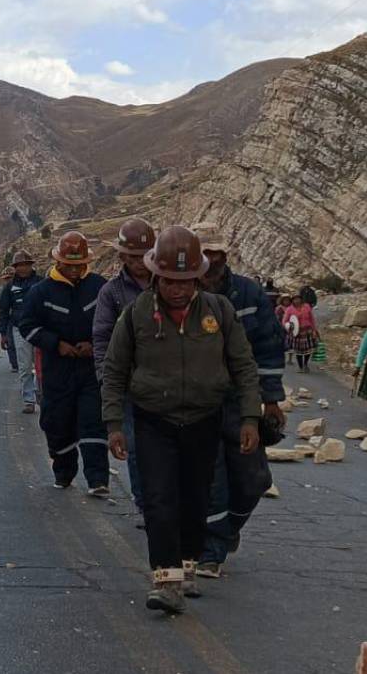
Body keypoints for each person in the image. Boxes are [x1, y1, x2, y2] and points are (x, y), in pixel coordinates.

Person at [101, 226, 261, 614]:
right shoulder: (136, 313)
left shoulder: (219, 312)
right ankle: (166, 578)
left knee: (194, 499)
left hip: (205, 419)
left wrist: (251, 418)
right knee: (158, 499)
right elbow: (115, 369)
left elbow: (243, 365)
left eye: (186, 281)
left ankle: (187, 562)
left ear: (198, 279)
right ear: (157, 277)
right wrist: (113, 425)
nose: (178, 289)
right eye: (170, 281)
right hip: (154, 420)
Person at [192, 223, 285, 580]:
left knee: (254, 479)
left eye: (214, 253)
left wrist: (272, 400)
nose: (210, 261)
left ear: (223, 256)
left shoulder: (248, 294)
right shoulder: (179, 294)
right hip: (196, 404)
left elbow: (268, 346)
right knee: (210, 480)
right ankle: (210, 552)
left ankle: (227, 530)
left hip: (240, 402)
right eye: (203, 254)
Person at [17, 232, 109, 494]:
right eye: (69, 265)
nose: (74, 270)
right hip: (57, 370)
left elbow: (111, 323)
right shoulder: (40, 292)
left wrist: (93, 344)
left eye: (79, 266)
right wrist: (56, 344)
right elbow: (27, 325)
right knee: (57, 422)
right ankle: (64, 471)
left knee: (93, 421)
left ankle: (98, 479)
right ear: (58, 262)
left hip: (91, 369)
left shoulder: (99, 287)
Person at [92, 217, 155, 512]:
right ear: (121, 257)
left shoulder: (170, 285)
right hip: (130, 385)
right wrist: (107, 382)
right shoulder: (111, 294)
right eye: (132, 257)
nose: (139, 263)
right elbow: (102, 339)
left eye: (144, 255)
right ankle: (146, 506)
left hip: (170, 384)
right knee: (136, 449)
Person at [0, 251, 41, 412]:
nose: (23, 268)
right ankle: (29, 400)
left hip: (40, 329)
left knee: (40, 366)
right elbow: (4, 311)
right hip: (19, 329)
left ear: (31, 265)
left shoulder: (41, 283)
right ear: (15, 268)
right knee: (24, 366)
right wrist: (3, 334)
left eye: (26, 265)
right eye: (19, 266)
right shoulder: (10, 288)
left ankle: (41, 394)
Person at [283, 295, 319, 373]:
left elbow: (311, 319)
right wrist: (289, 327)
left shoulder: (307, 307)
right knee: (298, 351)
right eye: (295, 299)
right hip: (296, 332)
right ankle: (300, 367)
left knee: (308, 350)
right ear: (292, 301)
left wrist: (314, 330)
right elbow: (285, 321)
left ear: (301, 299)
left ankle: (305, 364)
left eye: (298, 299)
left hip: (307, 331)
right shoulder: (289, 309)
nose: (297, 301)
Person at [0, 267, 19, 373]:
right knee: (10, 342)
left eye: (9, 278)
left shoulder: (20, 287)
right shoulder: (3, 290)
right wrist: (2, 332)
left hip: (21, 319)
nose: (7, 280)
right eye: (5, 278)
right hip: (9, 320)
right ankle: (15, 364)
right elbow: (2, 310)